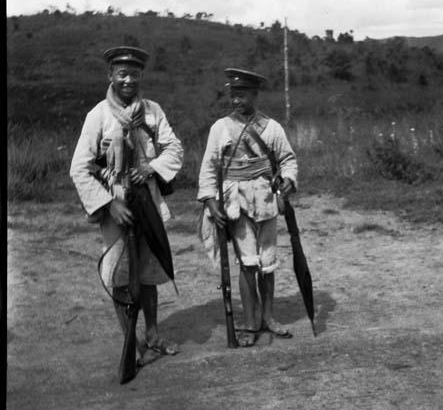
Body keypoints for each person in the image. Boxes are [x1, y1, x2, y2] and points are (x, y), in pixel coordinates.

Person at [70, 45, 183, 367]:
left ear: (141, 76)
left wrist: (151, 167)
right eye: (122, 73)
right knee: (121, 275)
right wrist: (108, 205)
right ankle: (131, 343)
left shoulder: (152, 111)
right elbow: (79, 166)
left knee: (148, 272)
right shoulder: (98, 115)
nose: (129, 80)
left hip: (147, 199)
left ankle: (153, 333)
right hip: (116, 203)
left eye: (134, 74)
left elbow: (174, 147)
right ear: (111, 76)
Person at [198, 68, 298, 347]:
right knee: (247, 264)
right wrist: (209, 200)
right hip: (236, 203)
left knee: (268, 264)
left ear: (255, 95)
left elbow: (288, 159)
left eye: (242, 95)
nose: (236, 100)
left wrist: (288, 180)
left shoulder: (272, 127)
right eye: (234, 95)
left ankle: (268, 317)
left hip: (266, 200)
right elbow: (208, 168)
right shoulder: (220, 128)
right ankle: (251, 322)